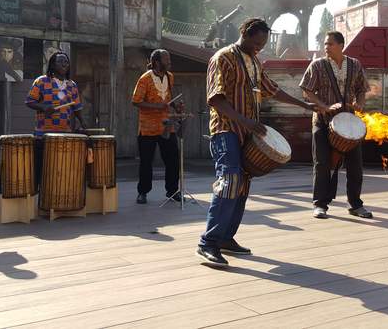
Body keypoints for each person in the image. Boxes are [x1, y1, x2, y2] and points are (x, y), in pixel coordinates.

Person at [196, 18, 318, 267]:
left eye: (263, 43)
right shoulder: (223, 57)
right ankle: (207, 243)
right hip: (225, 130)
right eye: (256, 42)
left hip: (247, 134)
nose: (259, 47)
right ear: (244, 33)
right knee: (229, 181)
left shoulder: (254, 62)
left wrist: (303, 105)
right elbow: (215, 100)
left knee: (242, 185)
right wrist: (247, 122)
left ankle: (226, 238)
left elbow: (272, 89)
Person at [299, 31, 373, 220]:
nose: (326, 47)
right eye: (325, 44)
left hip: (348, 124)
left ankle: (355, 205)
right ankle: (320, 205)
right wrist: (323, 106)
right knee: (322, 163)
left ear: (341, 45)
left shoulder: (355, 65)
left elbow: (362, 90)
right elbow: (306, 90)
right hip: (323, 122)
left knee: (355, 165)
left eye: (330, 44)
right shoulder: (317, 65)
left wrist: (360, 103)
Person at [26, 51, 86, 190]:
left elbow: (76, 107)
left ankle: (59, 195)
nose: (64, 64)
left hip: (65, 134)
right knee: (42, 169)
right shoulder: (41, 81)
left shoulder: (72, 85)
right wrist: (43, 107)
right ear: (52, 65)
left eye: (66, 62)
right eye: (60, 61)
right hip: (43, 134)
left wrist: (83, 124)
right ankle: (40, 195)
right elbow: (29, 101)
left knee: (61, 169)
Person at [131, 49, 183, 204]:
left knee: (173, 159)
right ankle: (143, 192)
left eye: (169, 59)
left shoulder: (170, 77)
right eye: (166, 60)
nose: (169, 62)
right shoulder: (145, 79)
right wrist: (156, 106)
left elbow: (168, 97)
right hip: (147, 128)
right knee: (146, 162)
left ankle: (173, 191)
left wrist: (176, 107)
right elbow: (136, 101)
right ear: (157, 62)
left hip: (167, 126)